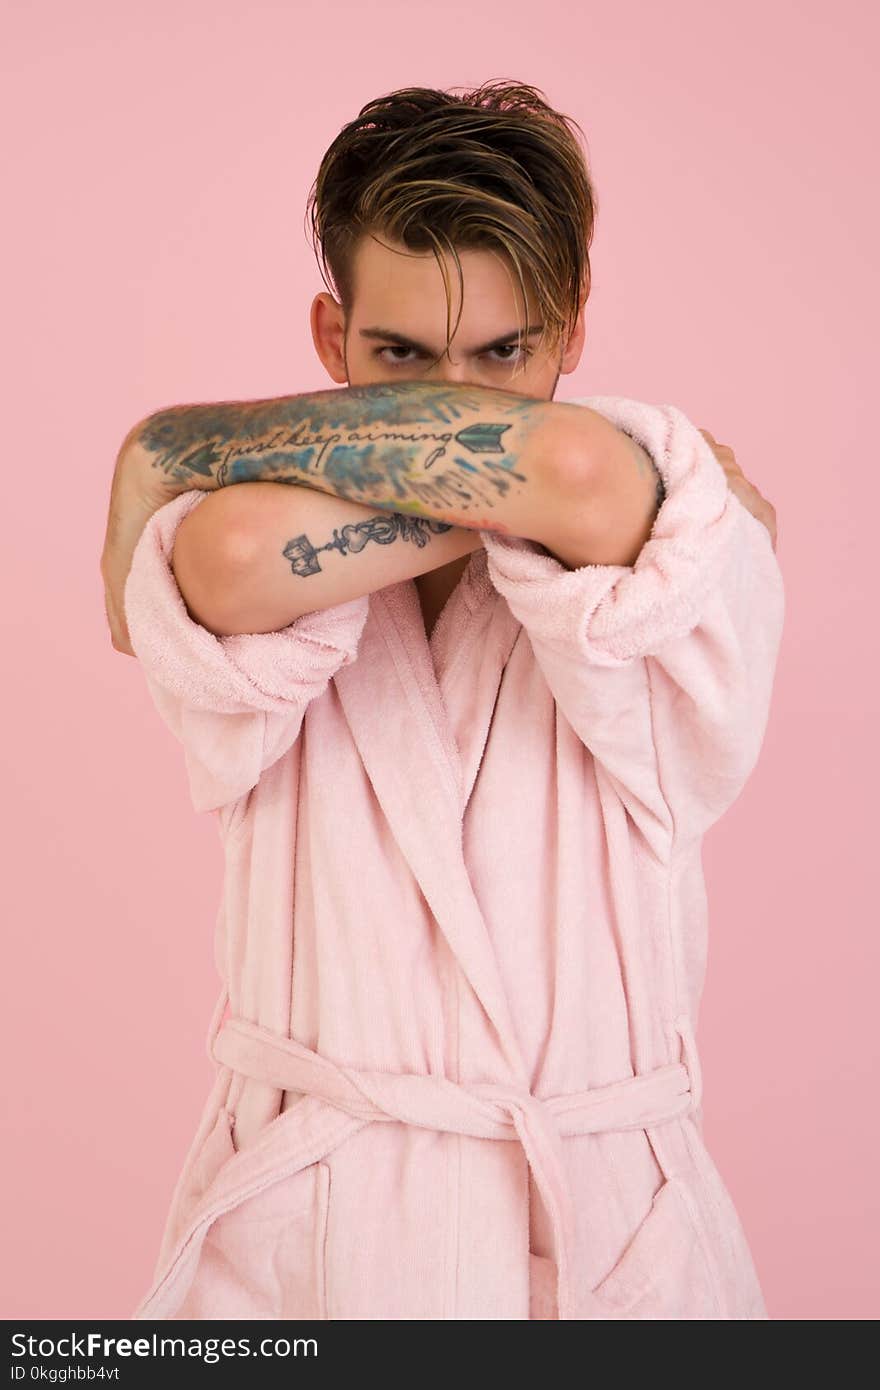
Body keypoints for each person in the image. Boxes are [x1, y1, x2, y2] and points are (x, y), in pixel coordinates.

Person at [100, 81, 783, 1320]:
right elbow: (243, 561)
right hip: (305, 1245)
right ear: (330, 338)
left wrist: (168, 445)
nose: (456, 398)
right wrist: (511, 487)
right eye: (400, 357)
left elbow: (571, 467)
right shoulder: (653, 506)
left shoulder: (683, 546)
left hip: (594, 1232)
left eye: (502, 355)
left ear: (572, 327)